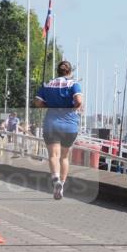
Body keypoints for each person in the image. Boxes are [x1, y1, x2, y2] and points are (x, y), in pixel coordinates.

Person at [34, 61, 83, 199]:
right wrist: (73, 106)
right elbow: (78, 100)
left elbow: (37, 102)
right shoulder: (73, 84)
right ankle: (62, 183)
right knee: (64, 156)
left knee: (53, 155)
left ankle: (55, 180)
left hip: (52, 123)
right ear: (70, 71)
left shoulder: (48, 84)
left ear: (58, 71)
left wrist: (47, 104)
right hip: (70, 124)